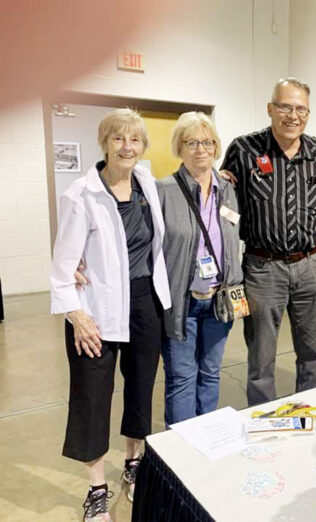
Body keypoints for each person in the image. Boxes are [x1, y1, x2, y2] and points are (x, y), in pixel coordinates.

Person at [50, 108, 171, 520]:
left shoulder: (147, 183)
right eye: (118, 138)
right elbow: (62, 267)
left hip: (144, 302)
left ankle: (133, 463)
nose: (127, 147)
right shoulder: (80, 194)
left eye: (135, 139)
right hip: (96, 309)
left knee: (140, 386)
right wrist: (76, 316)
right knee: (92, 394)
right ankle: (97, 487)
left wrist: (223, 176)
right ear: (104, 142)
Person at [220, 77, 316, 406]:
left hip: (312, 266)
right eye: (285, 107)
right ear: (270, 109)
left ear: (308, 113)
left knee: (314, 351)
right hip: (262, 268)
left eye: (301, 109)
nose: (293, 115)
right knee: (261, 355)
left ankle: (309, 411)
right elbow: (221, 202)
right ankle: (262, 417)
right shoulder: (244, 150)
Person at [157, 112, 244, 425]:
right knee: (182, 378)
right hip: (183, 302)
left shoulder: (227, 189)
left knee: (210, 372)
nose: (201, 149)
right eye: (191, 142)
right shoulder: (163, 190)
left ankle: (205, 435)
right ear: (179, 148)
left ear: (216, 147)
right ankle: (180, 445)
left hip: (220, 300)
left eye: (207, 142)